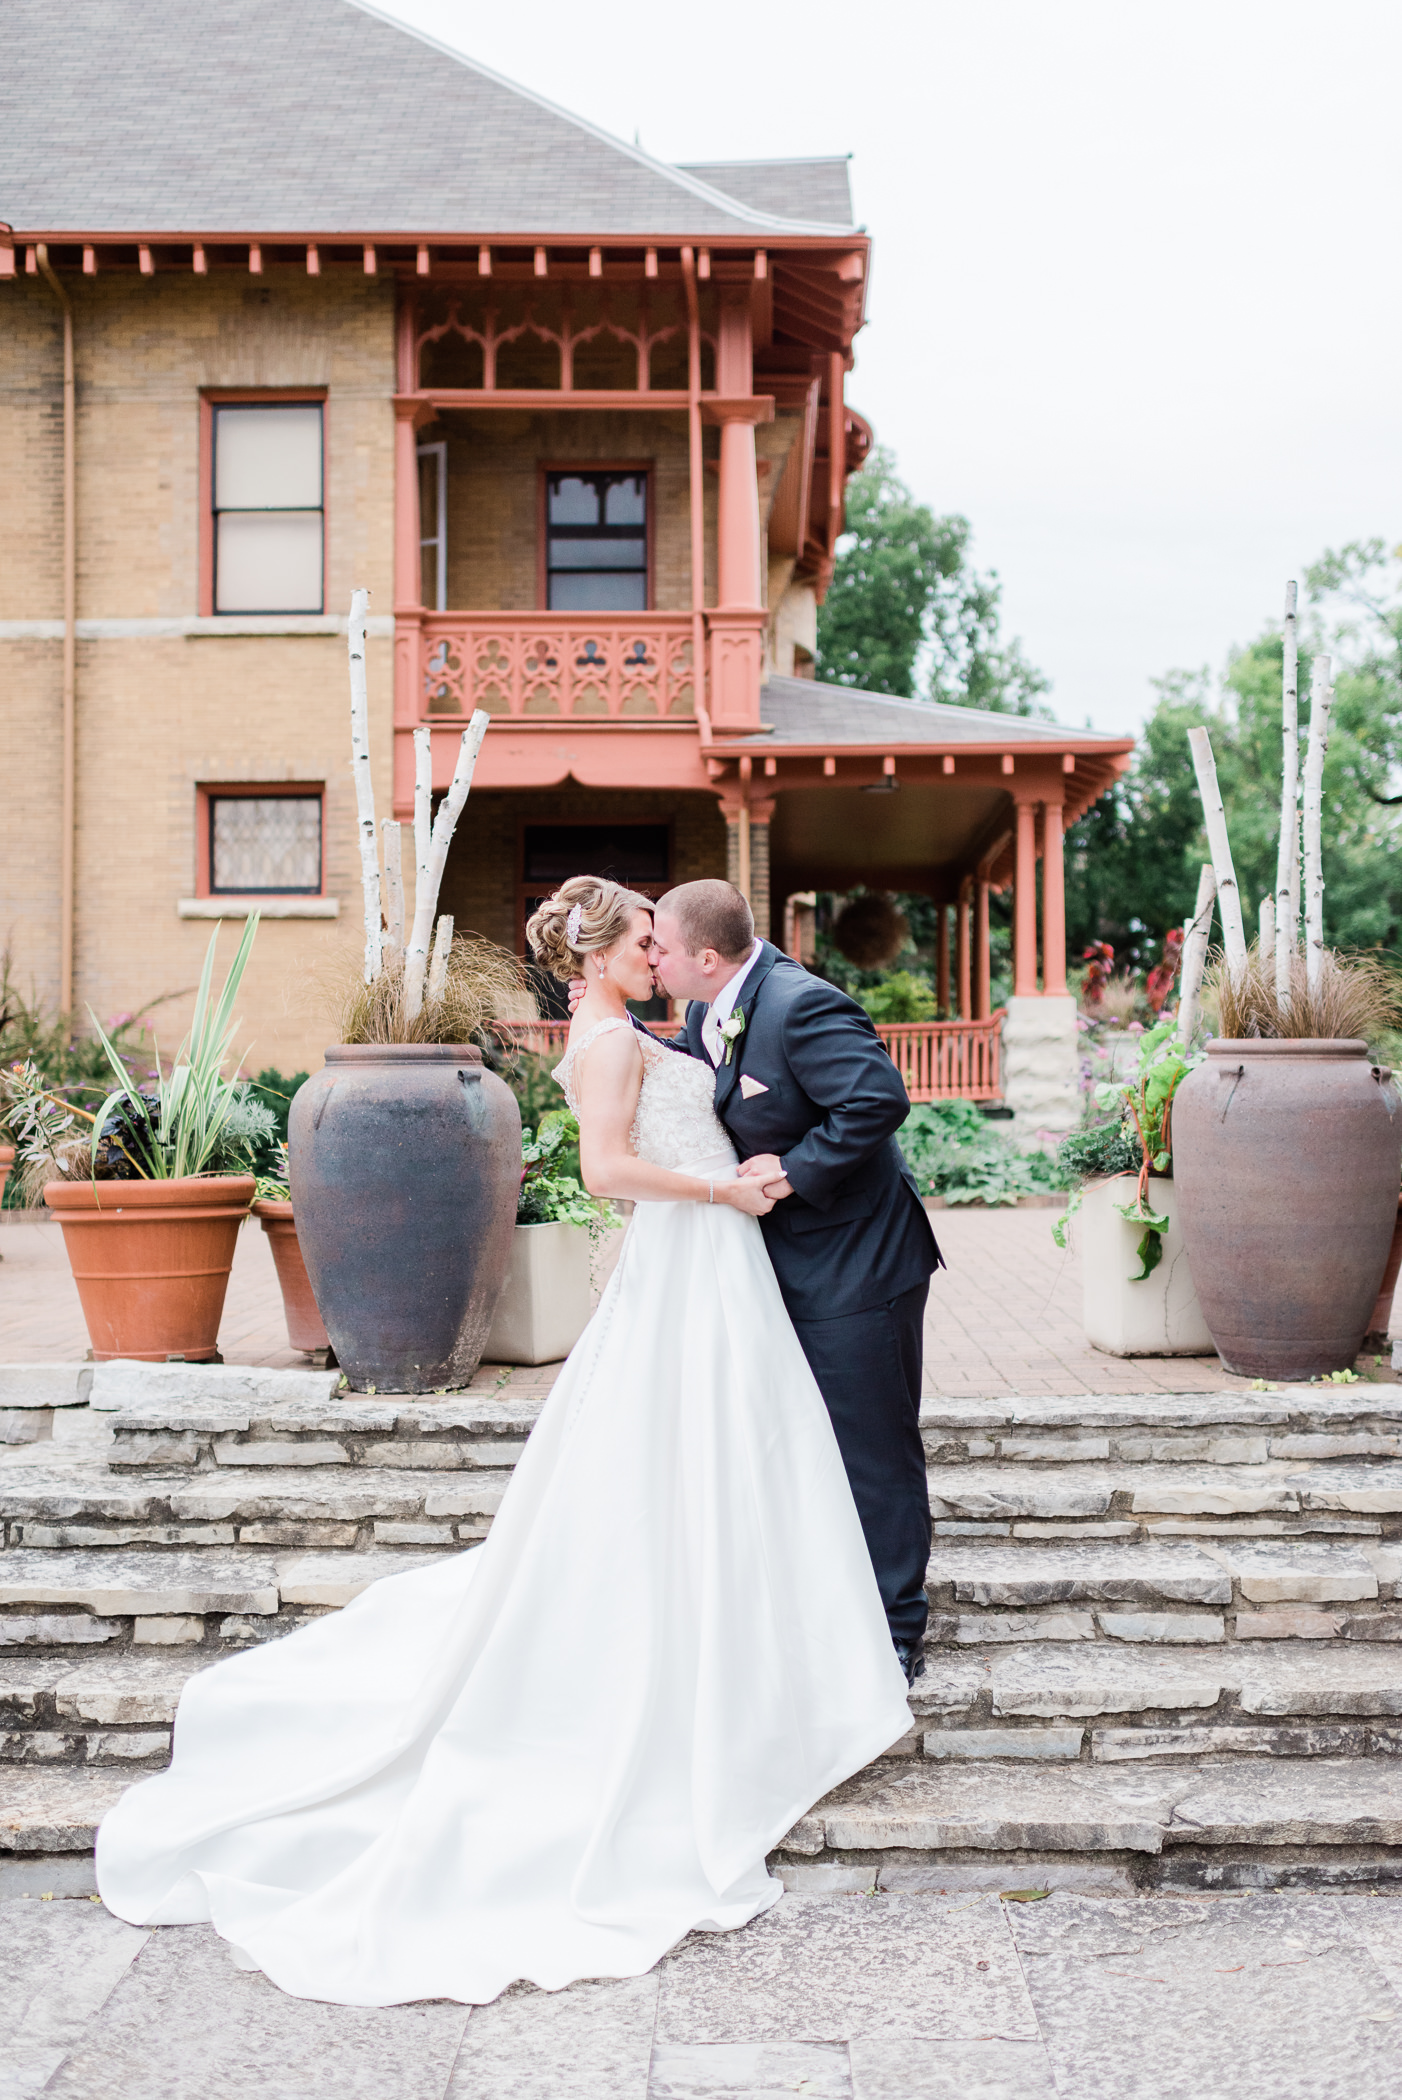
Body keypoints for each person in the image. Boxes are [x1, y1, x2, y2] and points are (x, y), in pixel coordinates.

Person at [94, 875, 912, 2010]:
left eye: (661, 940)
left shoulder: (631, 1027)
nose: (655, 954)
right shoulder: (613, 1040)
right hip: (700, 1245)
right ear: (600, 958)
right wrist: (720, 1191)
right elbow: (606, 1173)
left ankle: (760, 1604)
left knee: (727, 1446)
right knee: (700, 1445)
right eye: (640, 940)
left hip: (709, 1269)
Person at [575, 877, 943, 1681]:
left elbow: (877, 1100)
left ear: (706, 956)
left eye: (659, 947)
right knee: (802, 1442)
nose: (652, 958)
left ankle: (897, 1630)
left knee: (871, 1447)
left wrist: (793, 1172)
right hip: (770, 1267)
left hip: (857, 1264)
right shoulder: (708, 1009)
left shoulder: (799, 1004)